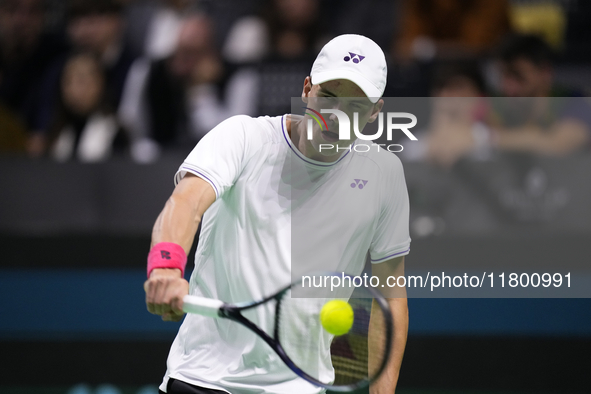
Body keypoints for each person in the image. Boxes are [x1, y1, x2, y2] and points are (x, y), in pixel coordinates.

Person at [144, 34, 410, 393]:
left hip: (300, 386)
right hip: (205, 379)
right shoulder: (243, 138)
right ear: (306, 89)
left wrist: (384, 385)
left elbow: (390, 292)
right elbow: (186, 202)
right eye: (328, 96)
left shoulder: (384, 173)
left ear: (375, 112)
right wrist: (166, 264)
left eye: (355, 106)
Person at [119, 13, 258, 163]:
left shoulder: (239, 77)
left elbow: (230, 137)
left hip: (215, 166)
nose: (182, 63)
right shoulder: (149, 71)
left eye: (192, 53)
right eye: (179, 52)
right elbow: (129, 120)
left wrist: (200, 89)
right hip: (157, 164)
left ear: (211, 53)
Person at [493, 33, 591, 155]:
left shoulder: (575, 102)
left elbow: (558, 144)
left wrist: (486, 138)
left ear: (545, 72)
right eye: (503, 75)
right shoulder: (501, 108)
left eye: (517, 75)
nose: (508, 87)